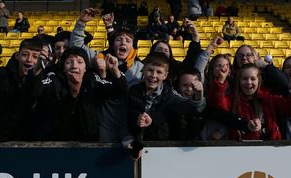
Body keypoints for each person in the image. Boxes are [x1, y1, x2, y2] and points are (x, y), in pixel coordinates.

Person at [70, 8, 144, 141]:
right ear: (112, 44)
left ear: (133, 46)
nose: (123, 43)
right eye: (118, 40)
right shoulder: (100, 58)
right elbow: (76, 48)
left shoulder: (141, 68)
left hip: (130, 124)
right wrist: (81, 22)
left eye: (127, 41)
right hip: (104, 123)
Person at [28, 47, 128, 140]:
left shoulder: (92, 79)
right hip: (54, 141)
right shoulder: (53, 78)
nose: (74, 66)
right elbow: (33, 92)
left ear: (85, 68)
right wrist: (37, 70)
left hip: (88, 142)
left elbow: (120, 91)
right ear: (63, 67)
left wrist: (115, 70)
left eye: (80, 62)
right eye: (69, 62)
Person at [208, 63, 291, 140]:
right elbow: (217, 103)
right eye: (244, 79)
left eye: (253, 79)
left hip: (271, 150)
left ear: (258, 80)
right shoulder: (232, 100)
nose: (248, 82)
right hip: (238, 150)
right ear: (239, 81)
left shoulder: (270, 99)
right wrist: (221, 81)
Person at [126, 52, 205, 142]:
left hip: (160, 148)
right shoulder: (132, 92)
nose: (153, 75)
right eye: (150, 70)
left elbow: (192, 108)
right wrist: (128, 138)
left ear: (165, 75)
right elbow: (123, 119)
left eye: (159, 72)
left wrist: (198, 94)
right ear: (143, 70)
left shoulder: (169, 95)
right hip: (132, 148)